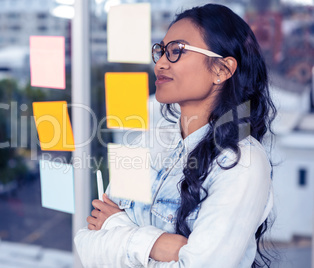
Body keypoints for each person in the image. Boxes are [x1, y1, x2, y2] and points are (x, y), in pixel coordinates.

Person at [74, 3, 276, 268]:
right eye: (160, 51)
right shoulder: (148, 141)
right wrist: (161, 245)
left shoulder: (242, 163)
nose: (159, 63)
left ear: (222, 70)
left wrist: (120, 228)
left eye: (176, 52)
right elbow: (87, 244)